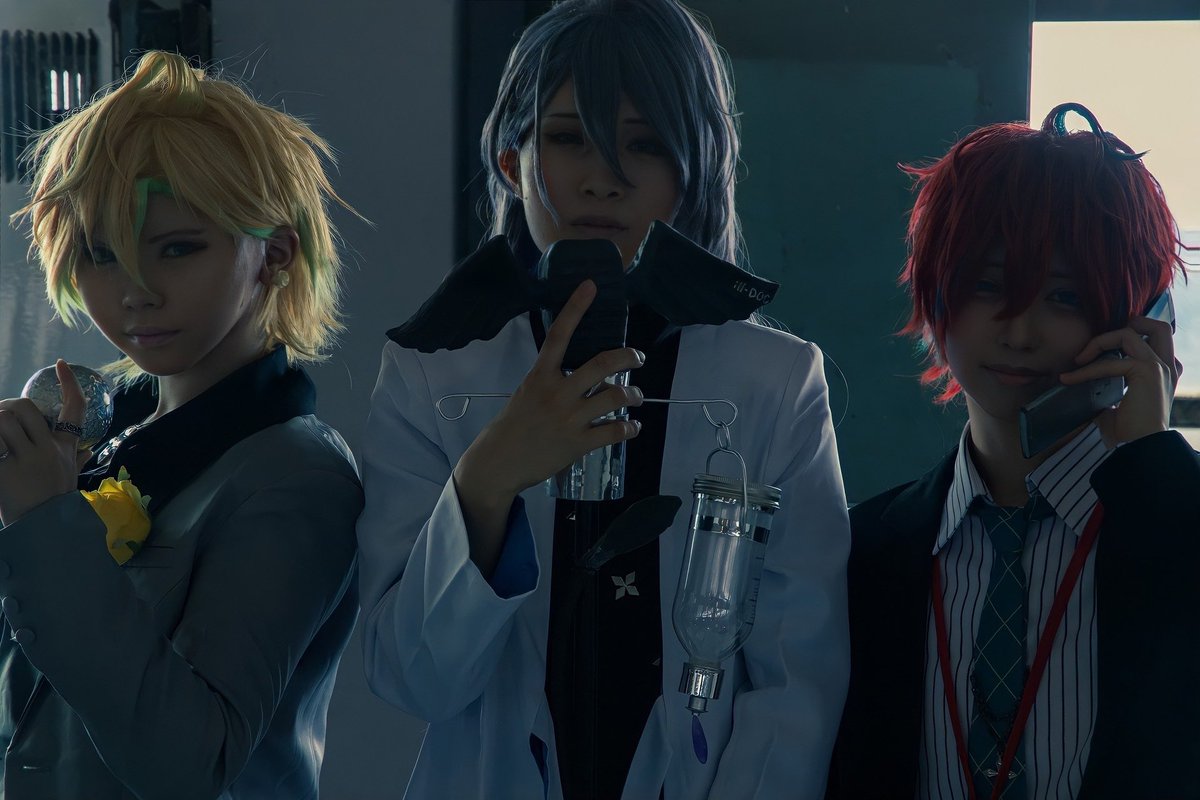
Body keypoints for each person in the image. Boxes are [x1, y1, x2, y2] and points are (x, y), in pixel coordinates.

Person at [356, 1, 851, 798]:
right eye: (567, 138)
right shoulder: (431, 374)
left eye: (644, 144)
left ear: (695, 166)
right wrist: (487, 479)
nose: (602, 177)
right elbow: (415, 680)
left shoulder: (774, 383)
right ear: (512, 160)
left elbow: (796, 687)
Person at [0, 50, 362, 799]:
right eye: (101, 254)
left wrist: (46, 526)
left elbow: (192, 765)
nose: (135, 291)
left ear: (273, 254)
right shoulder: (103, 435)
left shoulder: (297, 477)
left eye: (177, 249)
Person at [827, 104, 1199, 800]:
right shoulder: (867, 551)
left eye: (1064, 296)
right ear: (937, 288)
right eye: (989, 286)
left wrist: (1153, 461)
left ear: (1139, 319)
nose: (1020, 332)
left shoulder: (1176, 524)